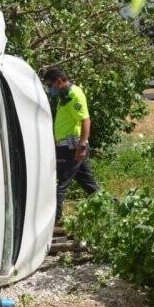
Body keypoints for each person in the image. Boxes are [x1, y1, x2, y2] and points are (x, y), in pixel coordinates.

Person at [43, 67, 100, 224]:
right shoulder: (65, 95)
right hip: (68, 147)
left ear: (59, 81)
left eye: (50, 85)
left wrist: (81, 146)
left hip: (72, 148)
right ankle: (111, 209)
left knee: (60, 184)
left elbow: (85, 120)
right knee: (89, 185)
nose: (50, 89)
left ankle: (54, 221)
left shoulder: (74, 94)